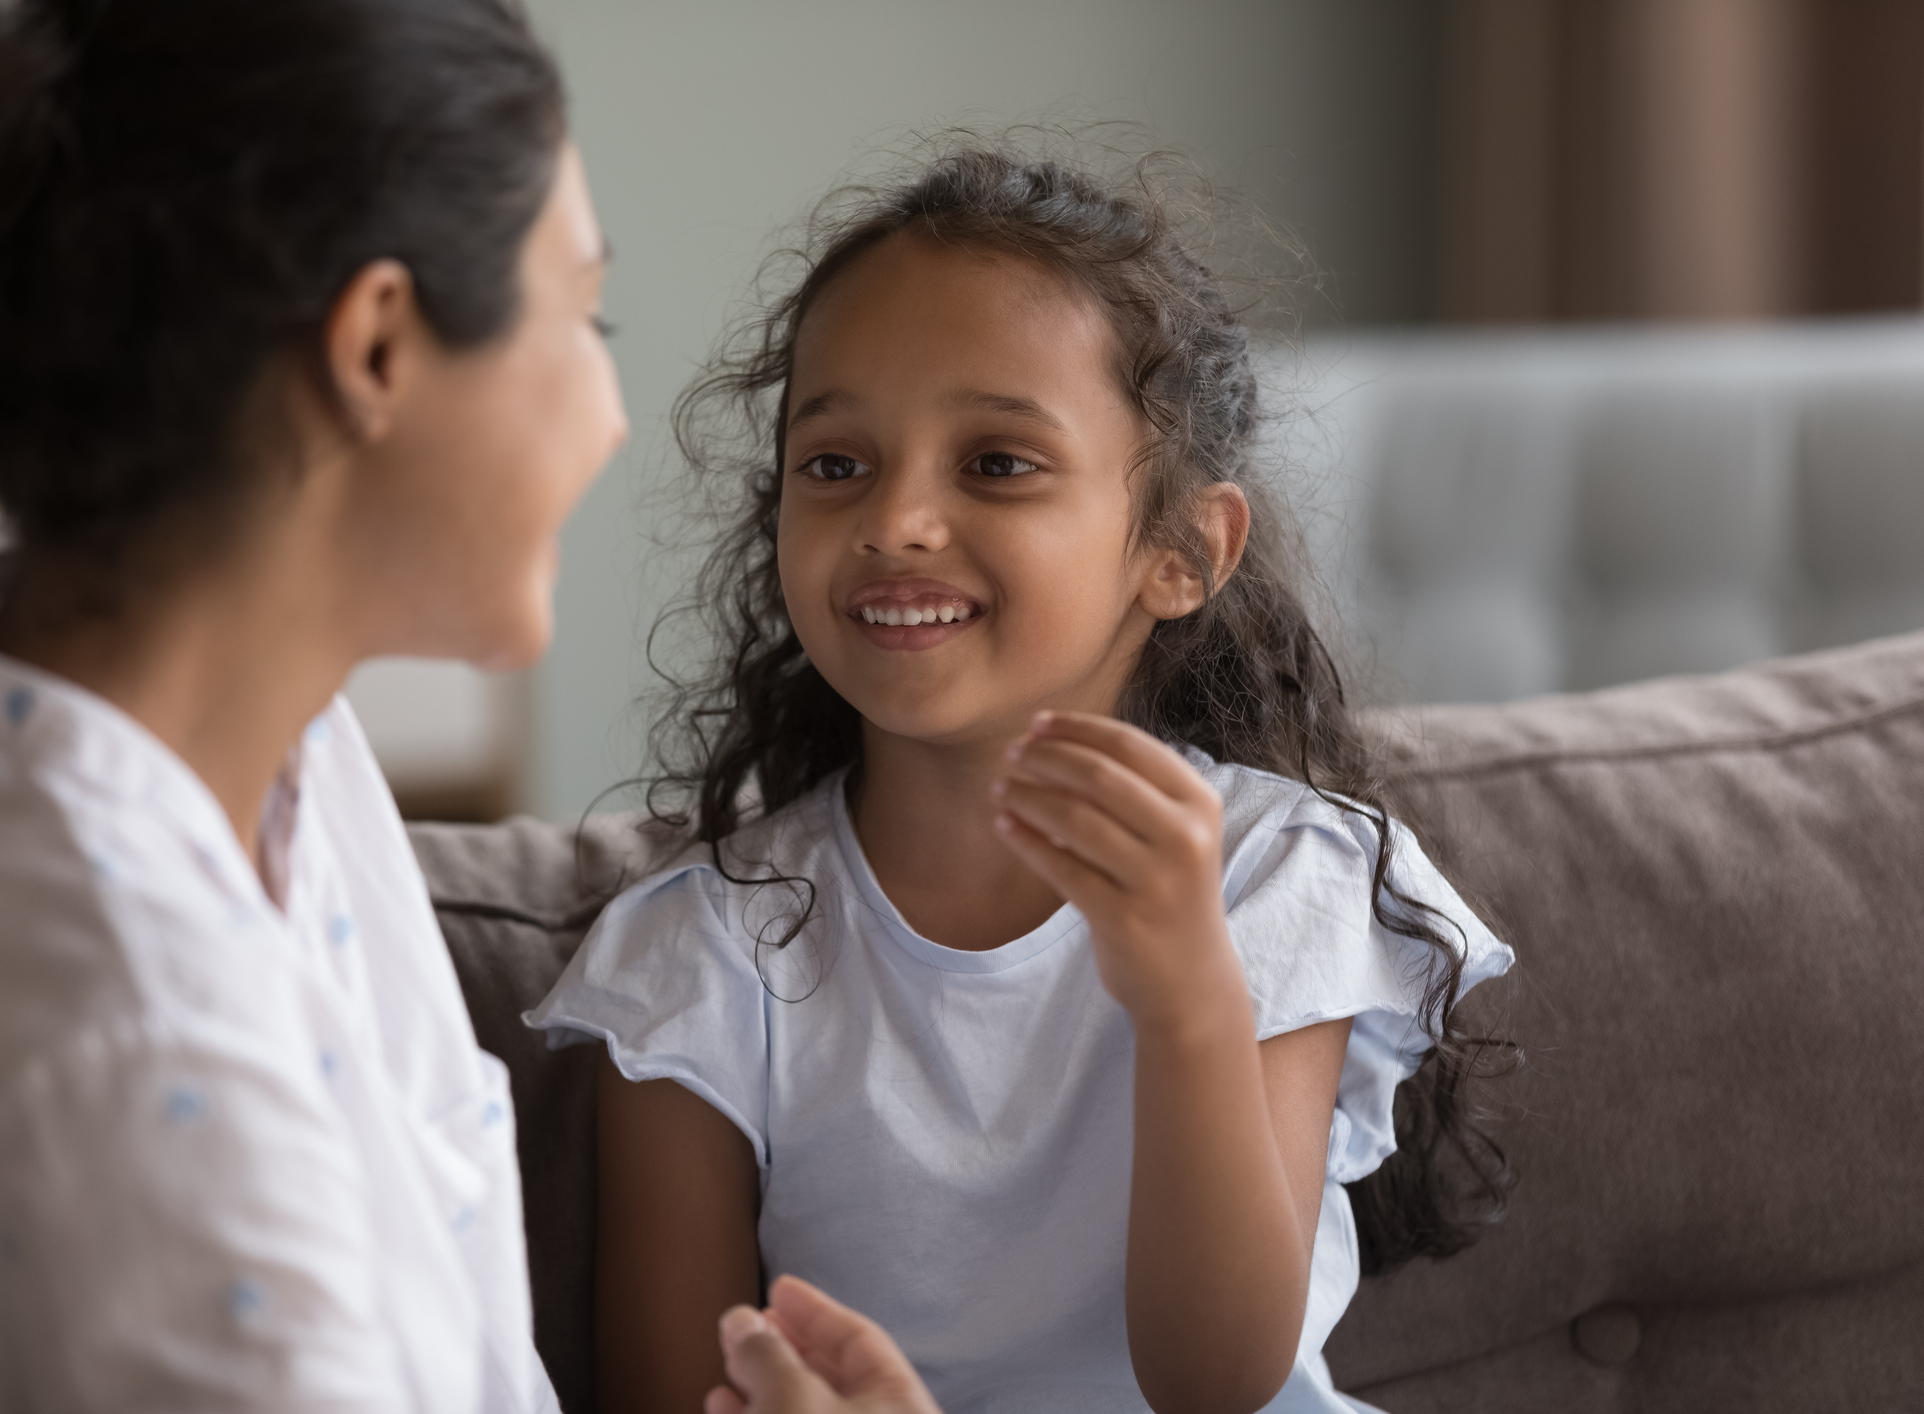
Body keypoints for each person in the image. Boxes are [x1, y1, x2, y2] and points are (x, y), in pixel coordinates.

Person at [0, 0, 938, 1409]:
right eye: (583, 317)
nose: (612, 413)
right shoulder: (143, 1070)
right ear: (380, 348)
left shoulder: (251, 754)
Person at [527, 146, 1518, 1414]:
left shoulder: (1279, 875)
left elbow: (1217, 1382)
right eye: (836, 464)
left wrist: (1188, 1000)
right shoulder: (699, 956)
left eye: (995, 463)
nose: (895, 520)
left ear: (1181, 551)